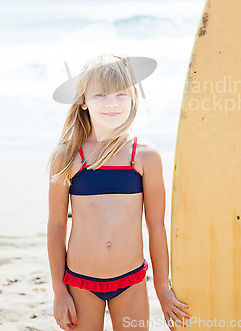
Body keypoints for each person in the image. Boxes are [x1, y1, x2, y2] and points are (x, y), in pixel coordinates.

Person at [47, 54, 190, 331]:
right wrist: (59, 291)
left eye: (121, 94)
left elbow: (156, 226)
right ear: (84, 101)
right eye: (100, 95)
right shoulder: (68, 156)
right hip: (80, 282)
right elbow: (56, 225)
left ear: (133, 98)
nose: (112, 103)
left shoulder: (145, 156)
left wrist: (162, 288)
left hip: (131, 282)